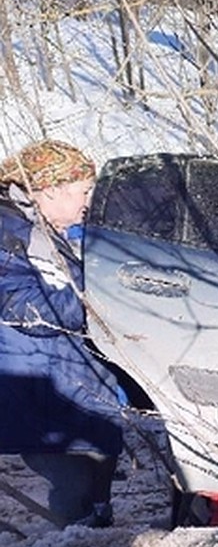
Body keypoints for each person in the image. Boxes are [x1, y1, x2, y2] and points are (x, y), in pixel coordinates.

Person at [0, 138, 124, 527]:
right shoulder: (8, 232)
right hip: (40, 391)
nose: (89, 201)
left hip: (71, 383)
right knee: (74, 486)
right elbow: (21, 306)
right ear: (49, 191)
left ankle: (93, 542)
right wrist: (98, 298)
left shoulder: (48, 230)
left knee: (97, 471)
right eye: (83, 191)